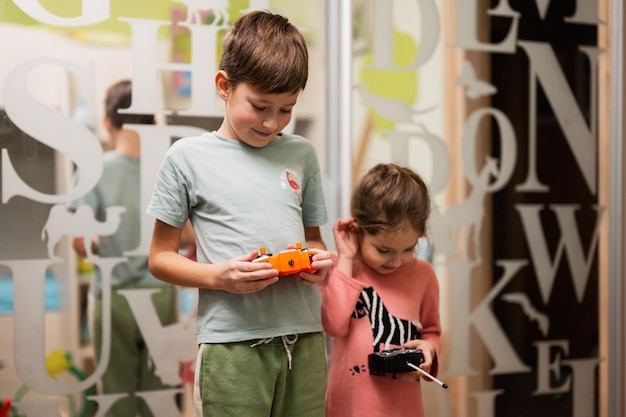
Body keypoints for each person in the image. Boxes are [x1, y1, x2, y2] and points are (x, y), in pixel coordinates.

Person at [146, 10, 333, 417]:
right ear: (223, 86)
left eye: (286, 109)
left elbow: (314, 238)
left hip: (306, 338)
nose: (272, 122)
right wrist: (220, 277)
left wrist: (320, 261)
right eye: (260, 106)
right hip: (232, 346)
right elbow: (159, 259)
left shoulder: (302, 153)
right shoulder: (186, 158)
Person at [69, 80, 179, 416]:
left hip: (114, 296)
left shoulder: (96, 170)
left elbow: (80, 242)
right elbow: (185, 234)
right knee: (159, 394)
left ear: (107, 123)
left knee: (117, 396)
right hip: (160, 292)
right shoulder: (169, 168)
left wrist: (111, 240)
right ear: (155, 123)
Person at [321, 163, 442, 417]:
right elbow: (334, 325)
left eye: (409, 249)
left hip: (404, 408)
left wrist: (429, 349)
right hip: (350, 409)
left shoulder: (424, 275)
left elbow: (432, 331)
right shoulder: (342, 267)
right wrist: (345, 258)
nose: (396, 261)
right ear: (357, 231)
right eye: (384, 250)